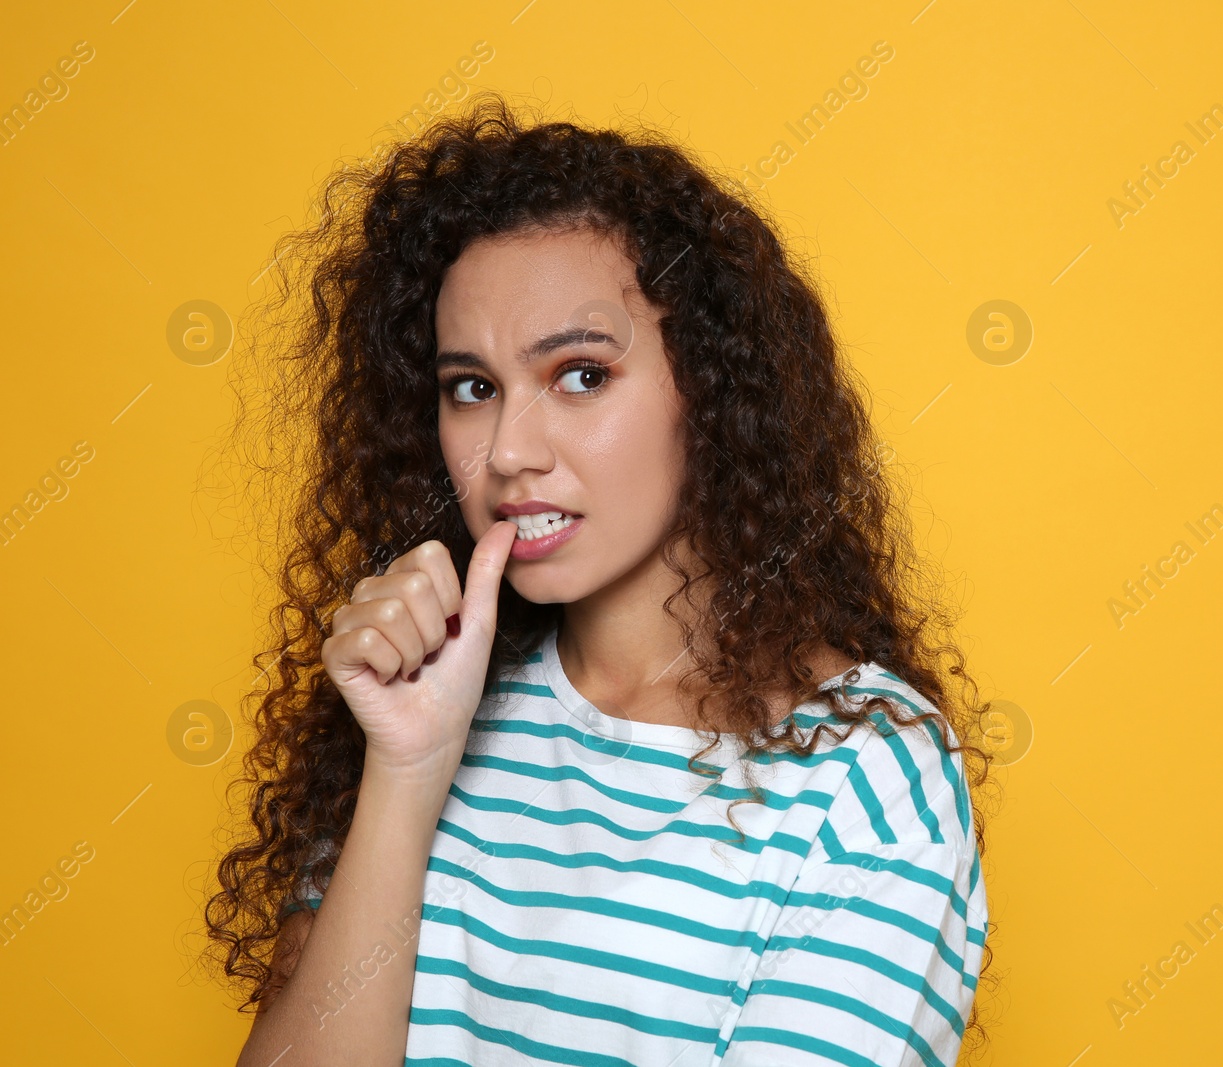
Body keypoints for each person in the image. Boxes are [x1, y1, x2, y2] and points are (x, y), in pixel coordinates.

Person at [205, 92, 994, 1066]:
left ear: (710, 388)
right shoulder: (412, 705)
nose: (507, 450)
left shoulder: (862, 777)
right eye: (472, 387)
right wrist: (406, 773)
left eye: (579, 373)